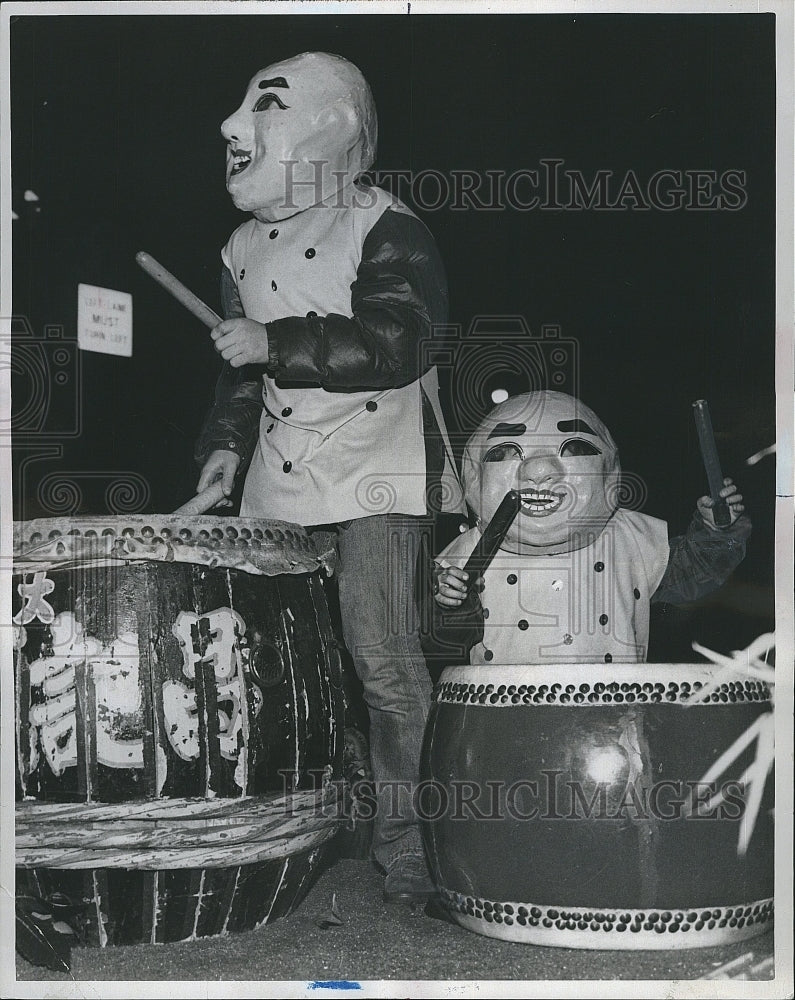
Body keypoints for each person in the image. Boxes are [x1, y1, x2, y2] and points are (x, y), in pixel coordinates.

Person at [194, 51, 464, 904]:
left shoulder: (385, 222)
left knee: (382, 662)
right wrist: (225, 448)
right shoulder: (236, 247)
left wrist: (275, 345)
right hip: (279, 476)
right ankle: (291, 837)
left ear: (334, 126)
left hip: (379, 467)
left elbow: (401, 339)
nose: (233, 127)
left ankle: (417, 849)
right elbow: (239, 372)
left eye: (264, 107)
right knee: (282, 664)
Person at [433, 390, 751, 664]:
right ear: (473, 474)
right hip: (499, 720)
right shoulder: (465, 554)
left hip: (610, 713)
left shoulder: (630, 540)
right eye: (506, 452)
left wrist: (716, 530)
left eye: (574, 447)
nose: (539, 470)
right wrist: (448, 603)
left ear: (609, 471)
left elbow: (695, 574)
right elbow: (440, 637)